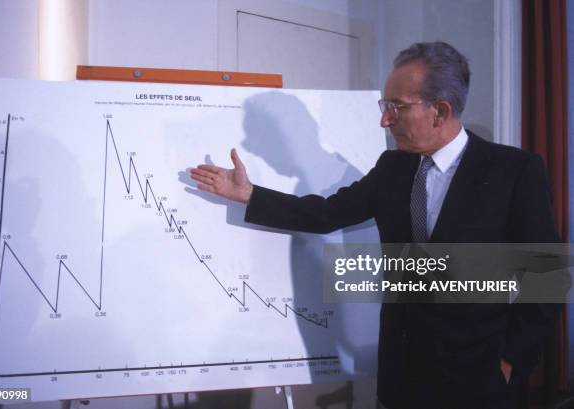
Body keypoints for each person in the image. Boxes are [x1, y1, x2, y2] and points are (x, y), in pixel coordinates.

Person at [190, 41, 560, 409]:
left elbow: (547, 281)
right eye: (386, 107)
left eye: (396, 107)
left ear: (440, 111)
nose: (385, 120)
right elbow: (326, 214)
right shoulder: (392, 168)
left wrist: (511, 361)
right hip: (402, 383)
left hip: (479, 386)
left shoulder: (513, 171)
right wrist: (250, 195)